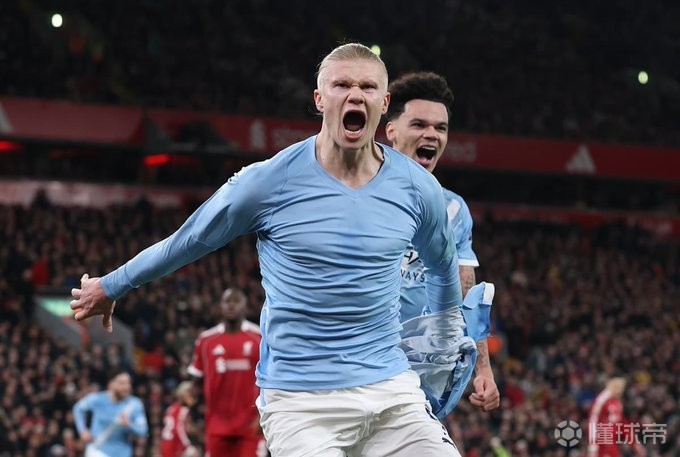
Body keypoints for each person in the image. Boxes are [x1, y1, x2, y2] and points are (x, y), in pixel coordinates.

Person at [70, 42, 464, 456]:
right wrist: (111, 285)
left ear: (383, 104)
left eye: (367, 87)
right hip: (301, 403)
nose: (354, 95)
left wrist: (445, 340)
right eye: (341, 85)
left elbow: (443, 265)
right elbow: (188, 240)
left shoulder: (418, 188)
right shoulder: (268, 182)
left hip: (390, 390)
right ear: (319, 99)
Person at [385, 71, 500, 414]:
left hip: (415, 379)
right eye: (419, 124)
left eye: (441, 128)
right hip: (354, 365)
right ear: (390, 131)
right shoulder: (357, 193)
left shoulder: (453, 209)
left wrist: (483, 369)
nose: (431, 134)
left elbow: (466, 292)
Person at [188, 288, 264, 457]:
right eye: (227, 301)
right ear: (220, 306)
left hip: (251, 426)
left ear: (245, 306)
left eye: (236, 301)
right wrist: (187, 411)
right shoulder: (206, 341)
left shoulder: (259, 338)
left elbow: (270, 380)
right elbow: (196, 384)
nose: (231, 305)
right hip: (217, 427)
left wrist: (264, 415)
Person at [72, 371, 148, 457]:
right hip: (98, 451)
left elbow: (143, 431)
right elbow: (78, 408)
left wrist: (130, 425)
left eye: (128, 383)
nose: (127, 387)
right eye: (122, 383)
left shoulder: (135, 404)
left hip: (122, 454)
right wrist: (82, 430)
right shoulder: (98, 399)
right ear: (111, 384)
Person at [587, 377, 645, 457]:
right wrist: (593, 446)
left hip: (613, 444)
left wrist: (634, 443)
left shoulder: (617, 403)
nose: (620, 391)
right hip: (601, 444)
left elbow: (622, 424)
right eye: (617, 387)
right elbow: (593, 422)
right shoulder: (600, 402)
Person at [160, 381, 199, 457]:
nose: (195, 400)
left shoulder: (171, 408)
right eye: (193, 396)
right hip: (175, 445)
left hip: (165, 444)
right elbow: (179, 429)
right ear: (184, 395)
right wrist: (187, 446)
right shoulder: (183, 410)